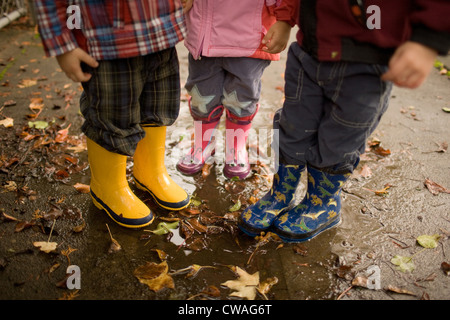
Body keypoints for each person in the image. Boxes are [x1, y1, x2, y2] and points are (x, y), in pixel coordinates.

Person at [239, 0, 450, 242]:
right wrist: (286, 17)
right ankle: (280, 193)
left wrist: (428, 39)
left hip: (369, 60)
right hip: (310, 49)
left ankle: (321, 204)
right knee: (292, 125)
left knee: (340, 138)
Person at [33, 0, 190, 228]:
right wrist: (62, 44)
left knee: (158, 105)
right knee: (112, 115)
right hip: (106, 42)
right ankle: (108, 186)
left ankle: (150, 172)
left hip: (162, 33)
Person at [177, 0, 298, 180]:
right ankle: (203, 144)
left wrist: (284, 20)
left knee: (242, 98)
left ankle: (235, 147)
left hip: (250, 35)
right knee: (201, 94)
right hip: (204, 33)